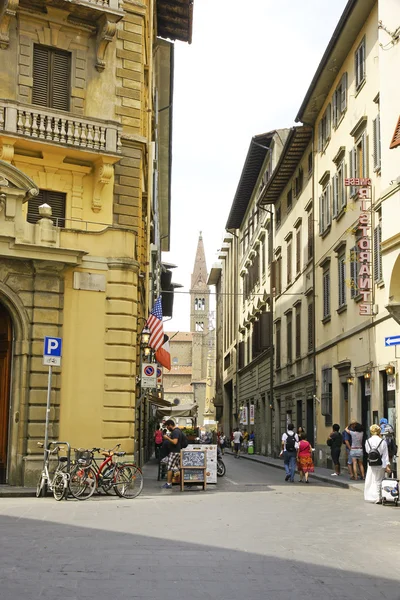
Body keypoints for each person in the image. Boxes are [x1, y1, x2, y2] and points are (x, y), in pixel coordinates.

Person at [364, 424, 391, 504]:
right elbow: (385, 455)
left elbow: (367, 451)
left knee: (371, 480)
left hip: (371, 463)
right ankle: (379, 497)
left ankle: (372, 496)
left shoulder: (367, 441)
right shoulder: (382, 441)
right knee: (379, 480)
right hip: (380, 463)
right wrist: (387, 465)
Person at [161, 419, 183, 489]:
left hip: (174, 452)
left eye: (167, 426)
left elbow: (175, 442)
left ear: (170, 425)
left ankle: (168, 483)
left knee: (169, 467)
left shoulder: (175, 432)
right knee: (179, 468)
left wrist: (167, 438)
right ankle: (186, 481)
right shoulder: (177, 431)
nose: (167, 428)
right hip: (176, 451)